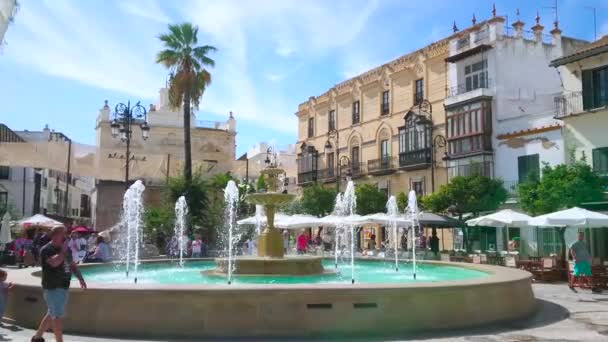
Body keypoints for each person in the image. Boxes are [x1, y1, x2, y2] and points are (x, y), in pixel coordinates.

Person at [31, 226, 87, 342]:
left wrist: (80, 278)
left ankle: (37, 338)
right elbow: (55, 263)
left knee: (52, 313)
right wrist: (63, 250)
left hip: (63, 286)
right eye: (64, 234)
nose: (66, 236)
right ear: (55, 235)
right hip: (53, 287)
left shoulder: (66, 249)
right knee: (57, 317)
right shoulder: (46, 250)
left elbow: (72, 265)